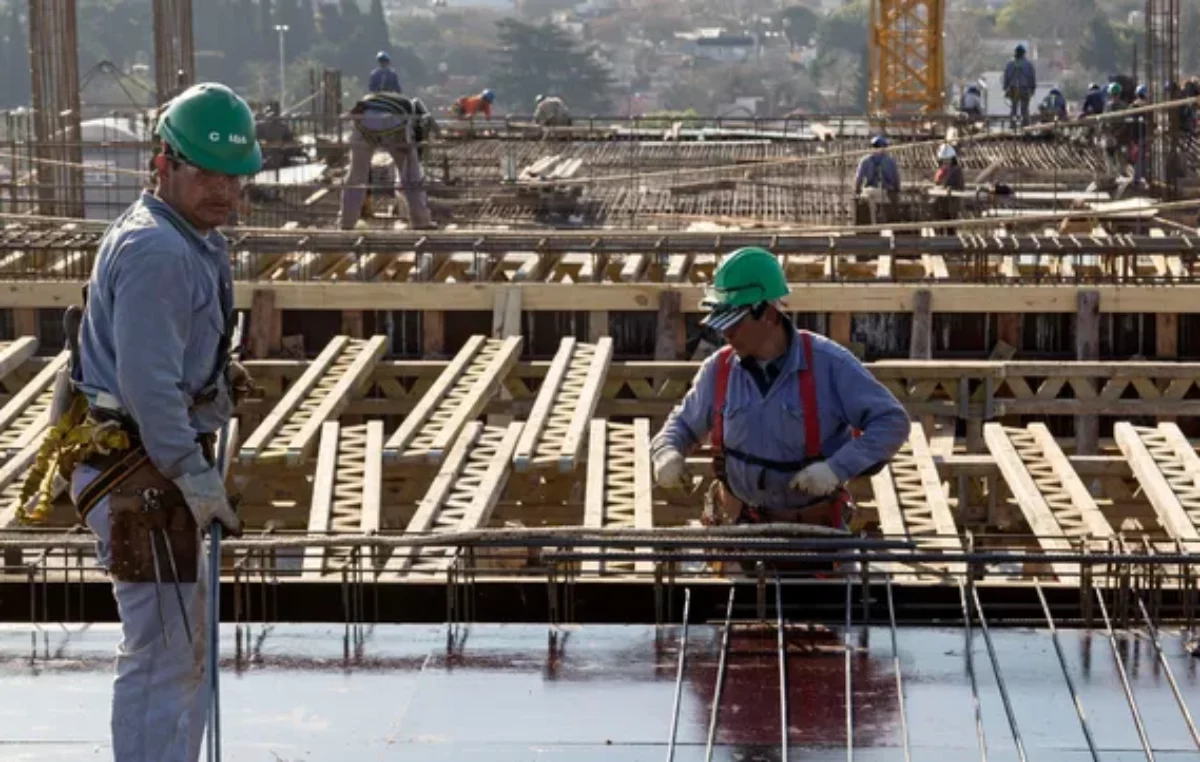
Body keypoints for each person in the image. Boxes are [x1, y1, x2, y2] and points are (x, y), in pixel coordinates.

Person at [23, 82, 253, 762]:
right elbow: (149, 387)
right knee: (162, 654)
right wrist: (193, 474)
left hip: (147, 464)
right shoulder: (158, 252)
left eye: (234, 178)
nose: (224, 191)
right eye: (207, 173)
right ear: (164, 163)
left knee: (179, 650)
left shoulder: (185, 240)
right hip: (145, 473)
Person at [650, 247, 910, 535]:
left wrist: (837, 469)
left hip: (813, 532)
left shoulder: (829, 365)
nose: (726, 333)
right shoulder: (719, 369)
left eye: (734, 322)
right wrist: (666, 452)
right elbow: (683, 424)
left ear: (770, 315)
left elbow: (891, 422)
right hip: (737, 526)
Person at [338, 90, 435, 230]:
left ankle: (346, 223)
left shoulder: (389, 99)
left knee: (356, 176)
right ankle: (421, 222)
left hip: (363, 122)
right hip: (394, 125)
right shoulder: (411, 111)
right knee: (411, 175)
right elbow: (416, 142)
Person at [854, 135, 901, 224]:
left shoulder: (865, 160)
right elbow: (896, 179)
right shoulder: (890, 161)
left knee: (866, 203)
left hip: (869, 191)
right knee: (888, 208)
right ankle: (884, 223)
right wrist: (897, 191)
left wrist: (857, 191)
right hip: (885, 191)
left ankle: (872, 222)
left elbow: (858, 179)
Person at [1003, 44, 1036, 127]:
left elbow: (1006, 77)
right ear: (1024, 54)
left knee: (1013, 108)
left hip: (1013, 89)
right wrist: (1032, 89)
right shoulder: (1028, 65)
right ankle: (1025, 125)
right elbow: (1031, 78)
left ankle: (1012, 124)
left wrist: (1005, 88)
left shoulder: (1010, 64)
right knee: (1024, 109)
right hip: (1024, 89)